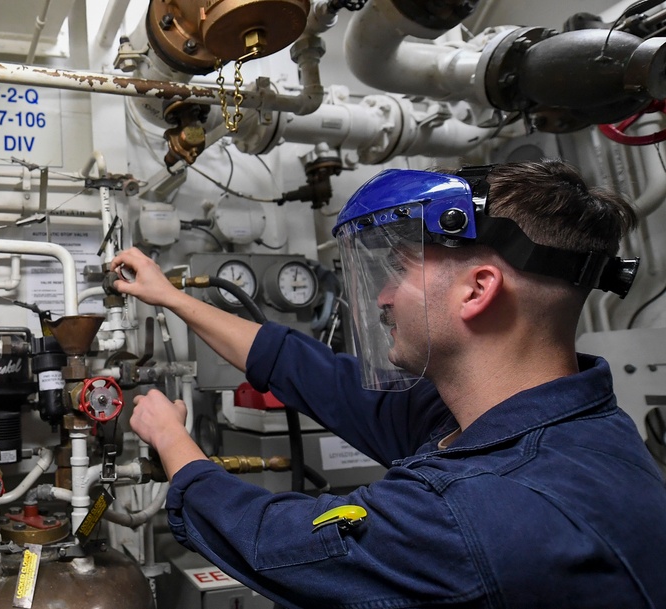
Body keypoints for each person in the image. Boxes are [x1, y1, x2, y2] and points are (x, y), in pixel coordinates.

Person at [111, 160, 666, 608]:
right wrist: (174, 298)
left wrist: (169, 437)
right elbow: (312, 372)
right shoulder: (540, 427)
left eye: (400, 271)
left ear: (477, 290)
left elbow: (270, 541)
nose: (382, 297)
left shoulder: (482, 510)